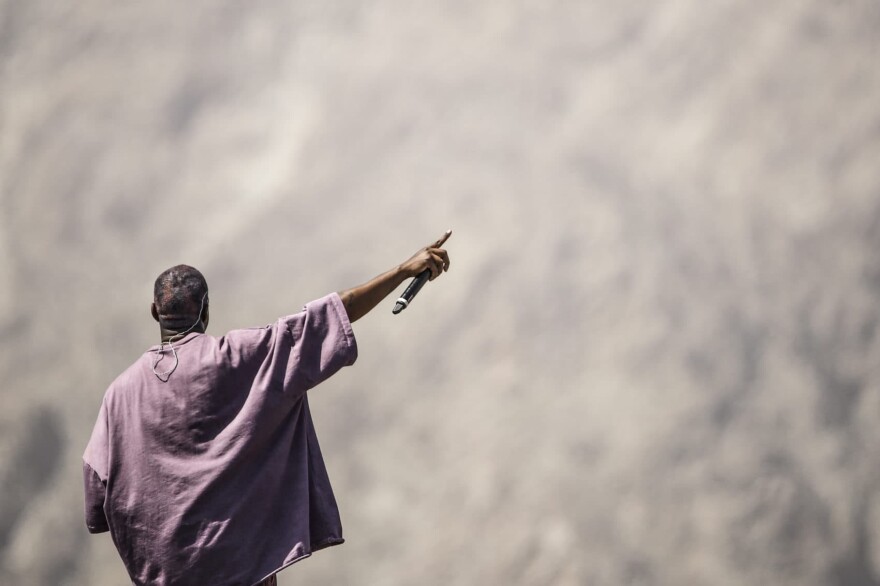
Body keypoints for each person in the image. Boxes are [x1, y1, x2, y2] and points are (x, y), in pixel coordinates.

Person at [83, 231, 452, 586]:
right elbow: (336, 312)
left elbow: (97, 502)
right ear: (206, 310)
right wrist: (404, 269)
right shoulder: (241, 358)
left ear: (154, 311)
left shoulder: (118, 395)